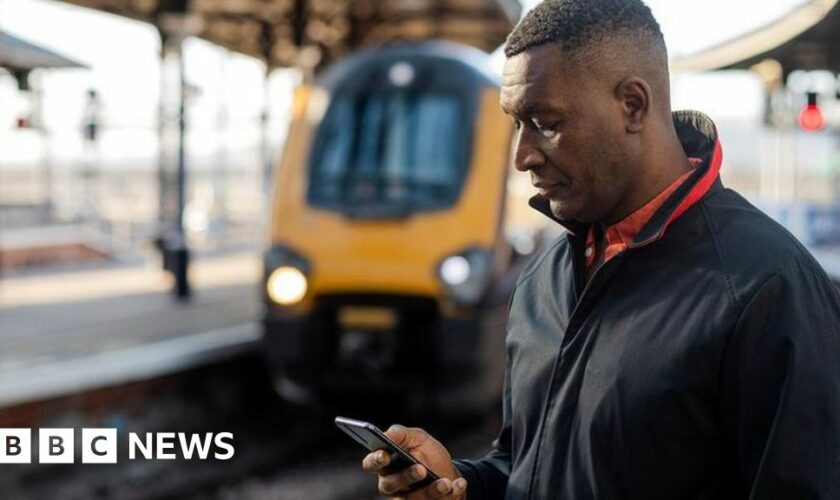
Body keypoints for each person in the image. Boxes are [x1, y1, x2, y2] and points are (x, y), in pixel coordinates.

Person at [361, 0, 840, 498]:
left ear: (632, 105)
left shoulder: (767, 287)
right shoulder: (542, 280)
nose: (522, 155)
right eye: (515, 123)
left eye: (545, 121)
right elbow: (524, 464)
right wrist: (462, 485)